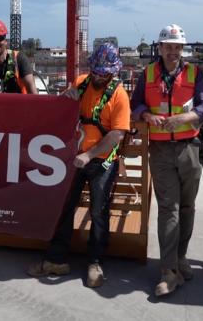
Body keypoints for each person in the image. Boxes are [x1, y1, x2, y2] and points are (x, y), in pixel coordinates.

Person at [28, 43, 130, 288]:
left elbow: (116, 135)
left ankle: (95, 261)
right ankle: (56, 258)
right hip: (75, 157)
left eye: (103, 73)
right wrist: (66, 99)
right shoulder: (82, 82)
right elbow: (63, 113)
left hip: (102, 160)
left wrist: (90, 154)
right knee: (65, 206)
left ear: (113, 73)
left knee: (98, 210)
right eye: (95, 71)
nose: (98, 76)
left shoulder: (119, 95)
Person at [130, 24, 203, 297]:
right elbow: (136, 104)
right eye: (168, 46)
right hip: (161, 151)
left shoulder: (194, 73)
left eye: (177, 46)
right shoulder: (149, 73)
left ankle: (181, 258)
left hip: (189, 148)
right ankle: (168, 270)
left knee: (187, 207)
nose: (172, 51)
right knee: (169, 208)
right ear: (160, 47)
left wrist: (183, 120)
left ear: (182, 48)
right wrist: (146, 115)